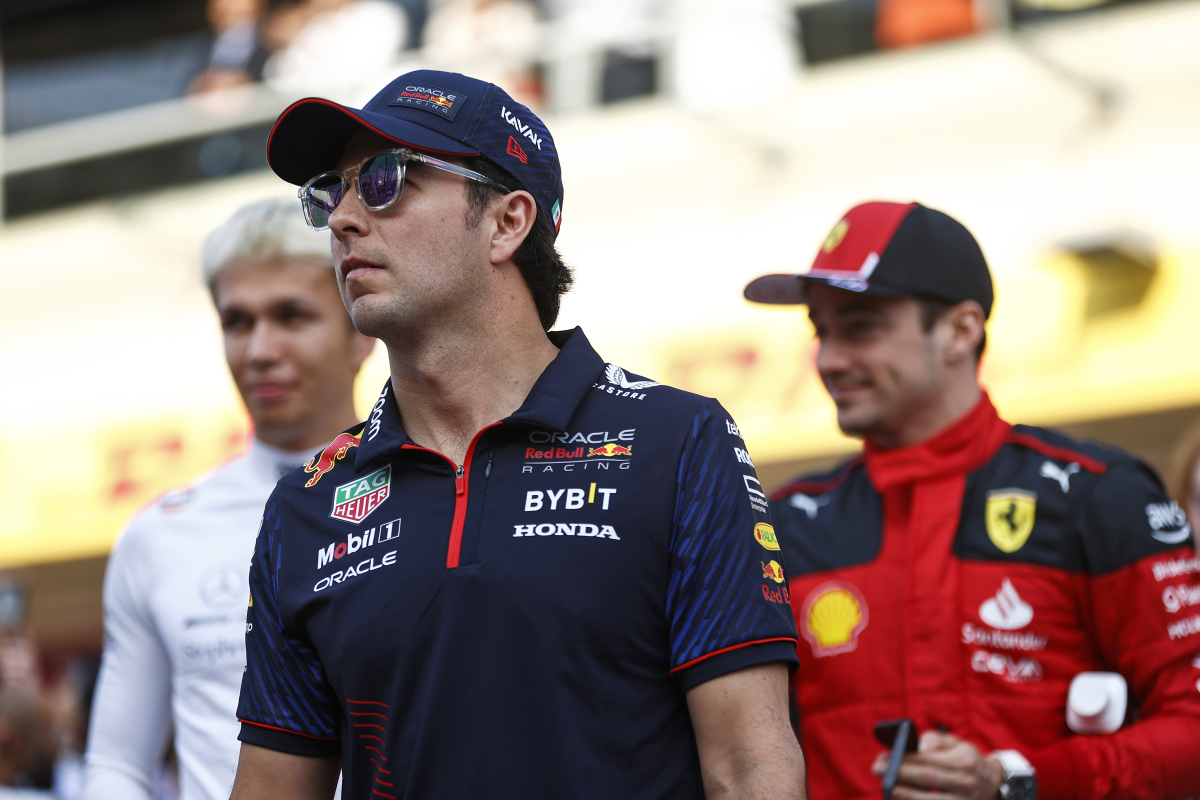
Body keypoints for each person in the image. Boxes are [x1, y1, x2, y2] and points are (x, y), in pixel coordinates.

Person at [230, 68, 805, 800]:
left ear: (507, 222)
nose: (343, 217)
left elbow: (750, 767)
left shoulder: (677, 439)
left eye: (384, 179)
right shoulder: (305, 505)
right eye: (329, 192)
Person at [744, 200, 1200, 800]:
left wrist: (1016, 779)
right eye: (822, 331)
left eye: (860, 328)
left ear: (961, 330)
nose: (829, 359)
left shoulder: (1098, 495)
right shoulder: (785, 525)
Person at [83, 198, 376, 800]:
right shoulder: (158, 535)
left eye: (292, 315)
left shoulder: (435, 497)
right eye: (237, 321)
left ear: (362, 335)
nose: (259, 349)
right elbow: (117, 767)